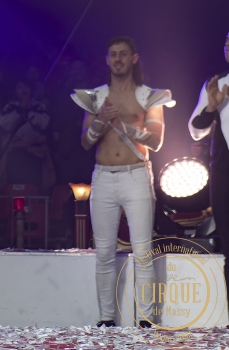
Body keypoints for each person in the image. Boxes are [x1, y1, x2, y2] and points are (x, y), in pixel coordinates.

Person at [72, 36, 173, 328]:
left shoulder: (148, 96)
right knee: (104, 253)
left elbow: (156, 141)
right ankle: (106, 318)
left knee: (143, 251)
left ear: (133, 58)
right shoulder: (95, 97)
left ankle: (145, 319)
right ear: (107, 60)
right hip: (103, 176)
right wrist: (101, 120)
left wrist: (126, 126)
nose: (117, 59)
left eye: (123, 54)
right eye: (113, 54)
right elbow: (85, 142)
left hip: (136, 175)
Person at [188, 32, 229, 300]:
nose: (228, 47)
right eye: (227, 43)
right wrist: (212, 107)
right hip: (223, 170)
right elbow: (195, 130)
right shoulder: (217, 84)